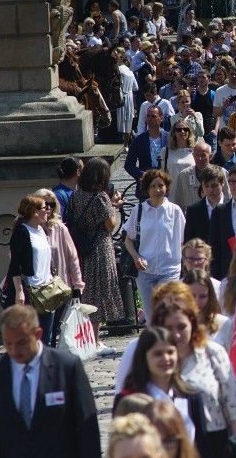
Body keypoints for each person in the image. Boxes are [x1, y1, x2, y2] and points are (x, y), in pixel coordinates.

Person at [0, 305, 101, 457]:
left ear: (38, 334)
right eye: (8, 343)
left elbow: (87, 428)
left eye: (22, 342)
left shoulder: (67, 367)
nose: (14, 350)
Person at [151, 301, 236, 454]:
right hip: (169, 445)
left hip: (214, 439)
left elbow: (232, 400)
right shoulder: (152, 358)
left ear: (192, 324)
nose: (176, 335)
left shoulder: (212, 352)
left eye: (181, 327)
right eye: (169, 329)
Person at [115, 326, 206, 450]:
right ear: (144, 357)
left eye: (170, 352)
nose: (166, 358)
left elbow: (202, 443)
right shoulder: (128, 399)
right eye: (158, 354)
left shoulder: (191, 395)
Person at [67, 157, 125, 347]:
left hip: (83, 248)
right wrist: (113, 205)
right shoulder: (100, 196)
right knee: (99, 294)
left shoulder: (76, 195)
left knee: (87, 294)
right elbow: (110, 225)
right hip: (99, 247)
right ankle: (95, 340)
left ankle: (87, 339)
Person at [124, 169, 186, 321]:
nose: (157, 190)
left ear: (167, 187)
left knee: (167, 311)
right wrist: (136, 257)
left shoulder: (175, 211)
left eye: (161, 186)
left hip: (169, 269)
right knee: (152, 316)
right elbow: (128, 239)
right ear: (147, 189)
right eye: (153, 186)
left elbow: (183, 240)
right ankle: (156, 344)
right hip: (145, 270)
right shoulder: (138, 211)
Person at [33, 188, 84, 347]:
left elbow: (72, 257)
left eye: (51, 203)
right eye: (44, 204)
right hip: (35, 288)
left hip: (57, 288)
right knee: (38, 330)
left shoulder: (60, 228)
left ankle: (49, 361)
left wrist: (77, 284)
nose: (48, 207)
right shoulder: (29, 228)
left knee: (52, 330)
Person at [7, 195, 57, 342]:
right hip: (31, 290)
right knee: (31, 338)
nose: (49, 209)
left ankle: (44, 364)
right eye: (44, 207)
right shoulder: (22, 232)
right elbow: (15, 264)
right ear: (35, 212)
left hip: (47, 289)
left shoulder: (42, 230)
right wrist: (19, 292)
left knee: (46, 337)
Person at [209, 163, 236, 280]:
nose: (235, 185)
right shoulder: (219, 211)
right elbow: (214, 248)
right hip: (228, 275)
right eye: (232, 181)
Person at [126, 105, 171, 199]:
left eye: (153, 116)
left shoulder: (169, 138)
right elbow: (129, 165)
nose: (150, 119)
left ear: (161, 118)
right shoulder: (139, 140)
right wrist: (143, 175)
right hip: (146, 188)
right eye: (148, 116)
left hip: (166, 186)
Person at [161, 119, 197, 191]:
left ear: (189, 132)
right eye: (179, 130)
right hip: (172, 191)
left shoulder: (195, 150)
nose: (182, 132)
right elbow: (162, 172)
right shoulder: (165, 151)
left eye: (185, 129)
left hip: (191, 190)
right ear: (174, 132)